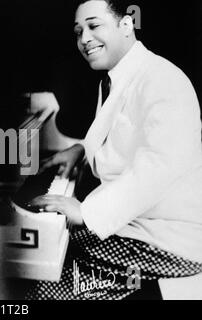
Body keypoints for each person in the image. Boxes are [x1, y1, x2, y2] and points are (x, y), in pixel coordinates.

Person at [28, 0, 202, 299]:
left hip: (165, 239)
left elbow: (158, 166)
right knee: (43, 261)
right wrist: (81, 150)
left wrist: (87, 211)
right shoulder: (119, 77)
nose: (84, 38)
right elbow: (125, 139)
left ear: (126, 24)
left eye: (94, 26)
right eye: (78, 31)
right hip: (136, 225)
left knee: (42, 284)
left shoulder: (163, 80)